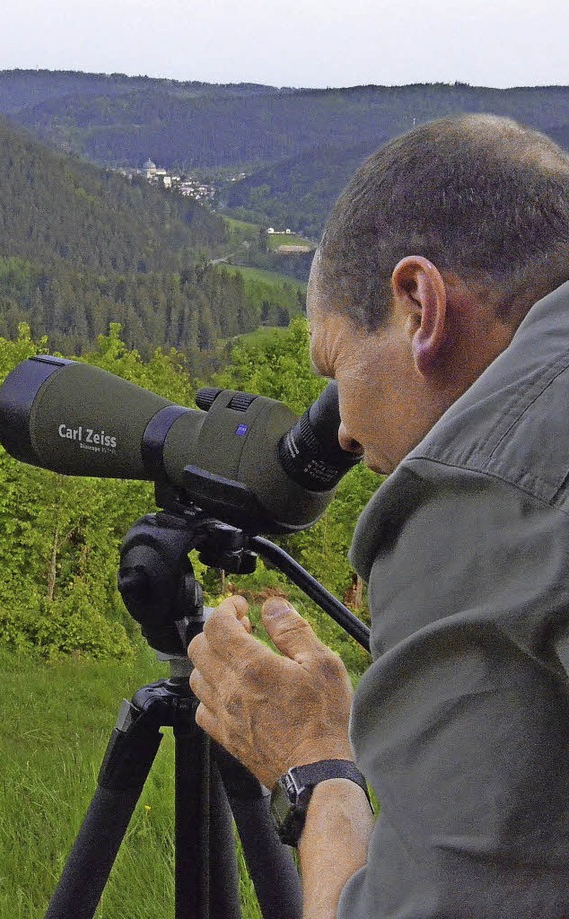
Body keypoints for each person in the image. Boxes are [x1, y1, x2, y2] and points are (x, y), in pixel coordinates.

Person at [187, 114, 569, 918]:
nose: (345, 429)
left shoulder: (488, 491)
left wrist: (316, 767)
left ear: (419, 305)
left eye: (336, 368)